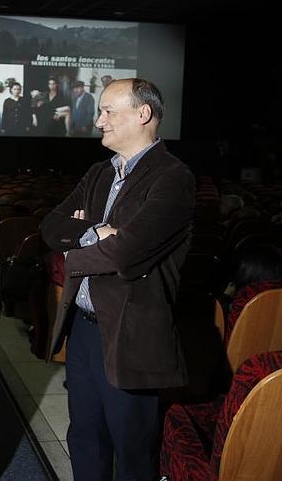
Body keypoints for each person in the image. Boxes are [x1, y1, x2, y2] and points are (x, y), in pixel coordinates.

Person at [40, 78, 195, 481]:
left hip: (132, 334)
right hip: (85, 331)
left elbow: (128, 251)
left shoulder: (173, 177)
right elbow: (50, 226)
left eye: (108, 111)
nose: (99, 121)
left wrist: (82, 240)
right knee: (84, 438)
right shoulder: (97, 172)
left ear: (143, 114)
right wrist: (98, 232)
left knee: (131, 450)